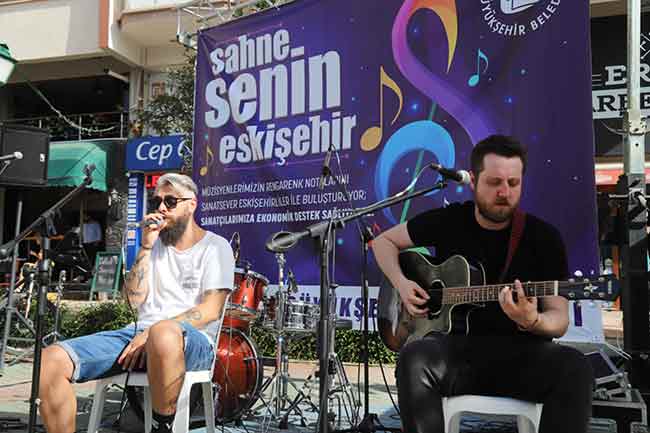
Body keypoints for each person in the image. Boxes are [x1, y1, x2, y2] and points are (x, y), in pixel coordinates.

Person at [371, 135, 593, 433]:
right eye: (494, 182)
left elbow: (559, 319)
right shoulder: (450, 220)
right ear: (473, 180)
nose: (505, 192)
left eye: (514, 183)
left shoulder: (544, 238)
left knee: (575, 368)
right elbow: (383, 242)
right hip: (455, 354)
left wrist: (533, 320)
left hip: (522, 357)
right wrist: (402, 284)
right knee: (414, 358)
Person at [38, 173, 235, 433]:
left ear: (192, 204)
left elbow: (211, 310)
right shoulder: (153, 247)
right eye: (157, 202)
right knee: (50, 360)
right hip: (139, 333)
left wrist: (153, 333)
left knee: (163, 334)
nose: (162, 208)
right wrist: (144, 247)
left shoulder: (215, 246)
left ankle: (160, 426)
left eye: (171, 201)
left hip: (192, 341)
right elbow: (131, 300)